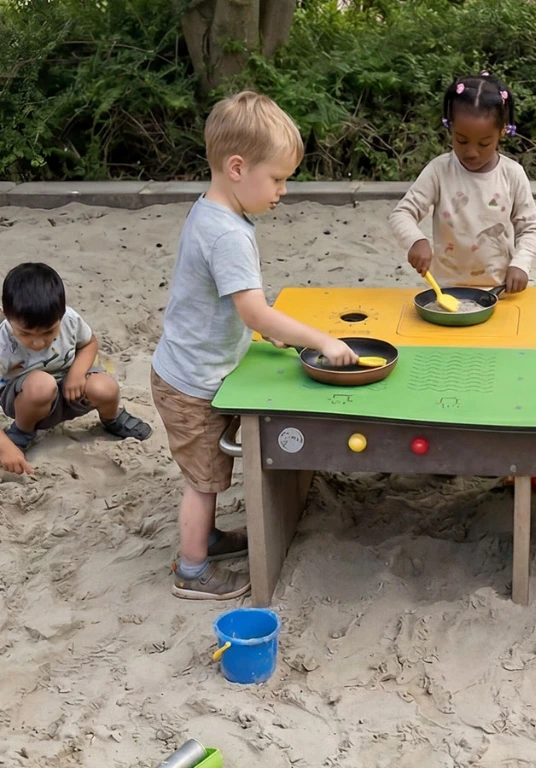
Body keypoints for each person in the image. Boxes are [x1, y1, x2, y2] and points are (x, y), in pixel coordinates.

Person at [151, 91, 359, 600]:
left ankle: (210, 538)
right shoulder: (228, 234)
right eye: (278, 179)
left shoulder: (215, 212)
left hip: (197, 369)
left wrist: (263, 331)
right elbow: (253, 309)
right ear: (238, 168)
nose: (283, 191)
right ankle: (193, 569)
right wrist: (320, 340)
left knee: (211, 471)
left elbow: (231, 305)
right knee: (204, 480)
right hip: (189, 383)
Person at [389, 72, 536, 293]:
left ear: (501, 132)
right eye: (461, 140)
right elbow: (401, 213)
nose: (471, 152)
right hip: (446, 288)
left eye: (484, 143)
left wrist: (521, 264)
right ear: (450, 127)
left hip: (499, 288)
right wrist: (415, 240)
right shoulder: (439, 171)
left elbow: (529, 228)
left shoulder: (512, 174)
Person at [0, 262, 151, 475]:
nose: (38, 343)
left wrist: (77, 374)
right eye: (25, 333)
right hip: (27, 397)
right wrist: (4, 447)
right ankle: (22, 432)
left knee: (106, 387)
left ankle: (111, 418)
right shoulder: (3, 342)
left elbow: (89, 343)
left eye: (48, 332)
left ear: (61, 314)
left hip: (71, 384)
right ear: (6, 314)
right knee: (42, 384)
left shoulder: (70, 319)